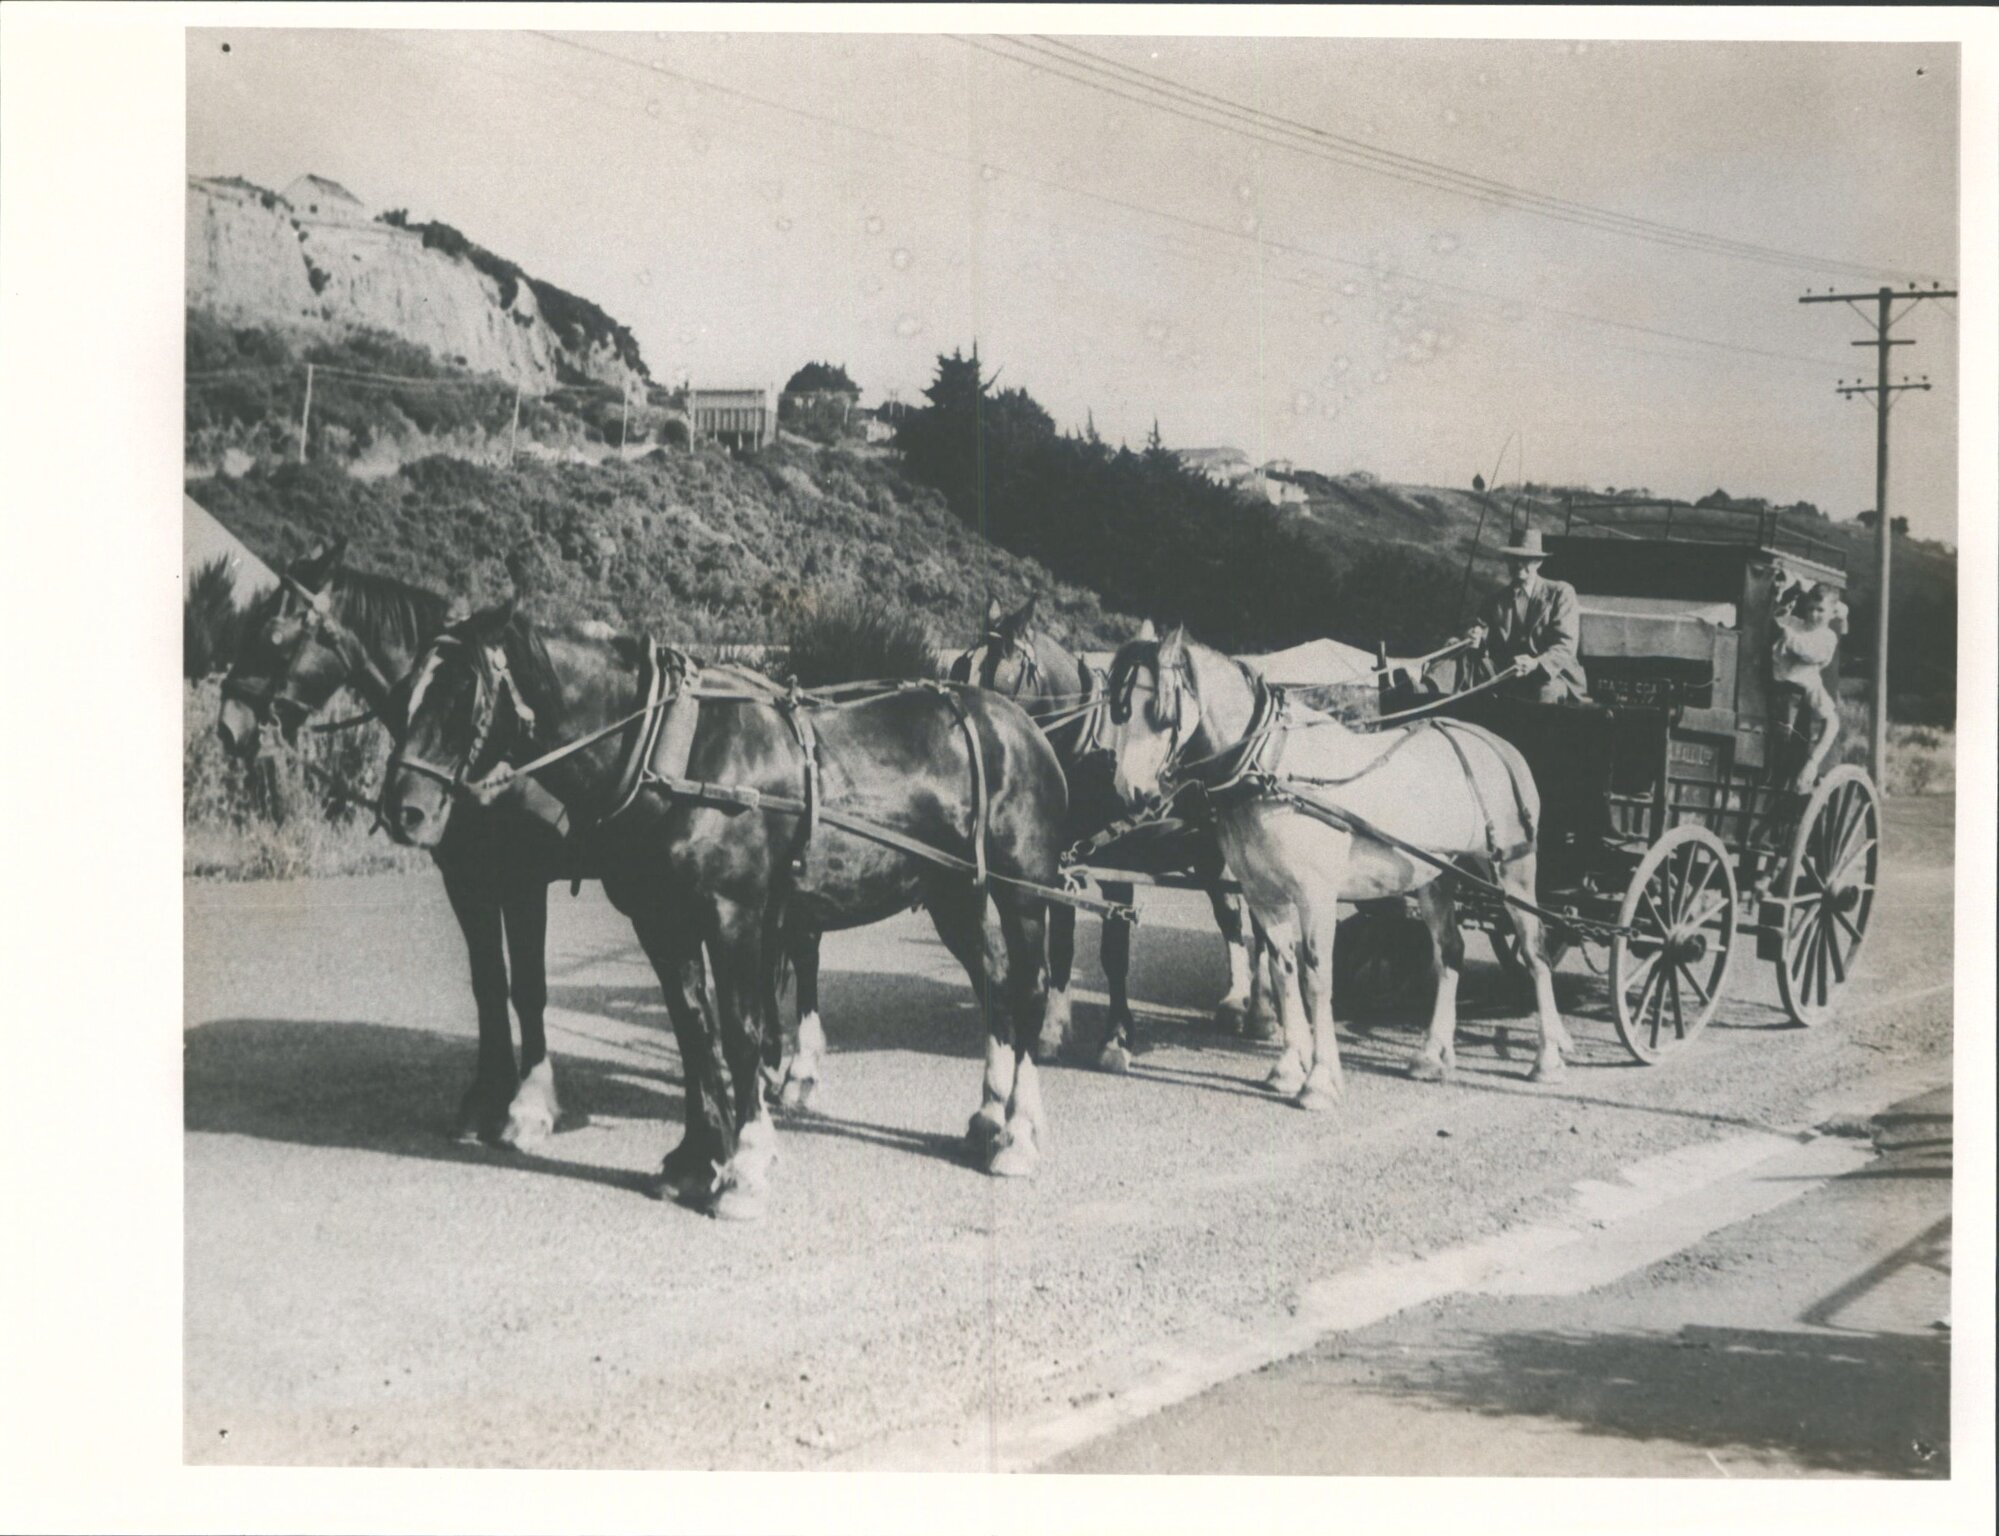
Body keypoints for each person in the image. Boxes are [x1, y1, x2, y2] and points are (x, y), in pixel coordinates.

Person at [1465, 528, 1589, 704]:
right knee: (1461, 663)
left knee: (1545, 693)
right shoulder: (1496, 600)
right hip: (1507, 675)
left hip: (1552, 676)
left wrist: (1536, 663)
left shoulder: (1561, 593)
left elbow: (1565, 646)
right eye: (1514, 559)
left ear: (1539, 562)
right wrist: (1473, 636)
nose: (1519, 565)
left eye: (1526, 560)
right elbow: (1480, 628)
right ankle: (1426, 691)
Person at [1772, 583, 1842, 791]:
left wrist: (1788, 635)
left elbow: (1811, 652)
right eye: (1811, 608)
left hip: (1801, 688)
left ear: (1831, 613)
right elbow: (1777, 617)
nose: (1814, 615)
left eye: (1820, 610)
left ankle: (1811, 765)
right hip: (1779, 685)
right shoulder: (1794, 624)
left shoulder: (1827, 637)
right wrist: (1782, 609)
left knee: (1829, 720)